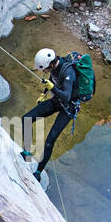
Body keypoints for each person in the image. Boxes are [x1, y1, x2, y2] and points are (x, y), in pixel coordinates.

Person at [21, 47, 78, 181]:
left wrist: (52, 88)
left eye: (46, 69)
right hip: (57, 101)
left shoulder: (68, 72)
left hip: (68, 108)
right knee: (26, 119)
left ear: (52, 63)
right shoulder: (54, 67)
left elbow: (66, 96)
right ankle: (27, 152)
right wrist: (43, 94)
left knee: (49, 141)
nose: (46, 71)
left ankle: (38, 172)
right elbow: (52, 81)